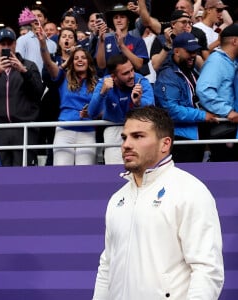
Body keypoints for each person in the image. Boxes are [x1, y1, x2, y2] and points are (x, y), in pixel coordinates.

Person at [93, 105, 224, 300]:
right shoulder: (117, 199)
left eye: (138, 136)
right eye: (124, 137)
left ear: (165, 144)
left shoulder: (190, 191)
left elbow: (207, 269)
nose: (126, 144)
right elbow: (107, 266)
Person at [0, 28, 44, 167]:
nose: (6, 47)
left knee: (25, 173)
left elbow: (38, 93)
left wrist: (23, 71)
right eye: (3, 44)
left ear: (15, 44)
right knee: (0, 174)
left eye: (9, 43)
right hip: (0, 128)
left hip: (24, 127)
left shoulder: (29, 65)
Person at [37, 25, 98, 166]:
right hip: (65, 130)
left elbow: (102, 108)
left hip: (87, 132)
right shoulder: (63, 78)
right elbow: (48, 62)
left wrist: (91, 112)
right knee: (61, 174)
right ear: (72, 62)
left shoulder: (97, 82)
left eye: (83, 57)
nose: (80, 60)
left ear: (88, 62)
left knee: (85, 175)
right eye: (76, 58)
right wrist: (42, 44)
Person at [154, 32, 217, 162]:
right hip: (179, 138)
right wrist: (202, 115)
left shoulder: (191, 71)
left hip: (195, 135)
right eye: (189, 51)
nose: (193, 55)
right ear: (176, 51)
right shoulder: (167, 75)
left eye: (195, 51)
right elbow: (170, 110)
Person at [88, 54, 154, 164]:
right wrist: (102, 93)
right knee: (113, 171)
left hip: (138, 127)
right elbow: (91, 113)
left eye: (132, 70)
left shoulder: (141, 81)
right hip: (114, 127)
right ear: (113, 76)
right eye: (125, 73)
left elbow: (151, 108)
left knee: (141, 169)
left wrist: (138, 103)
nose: (132, 75)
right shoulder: (104, 83)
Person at [196, 23, 238, 162]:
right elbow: (204, 90)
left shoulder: (232, 62)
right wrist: (227, 111)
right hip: (223, 127)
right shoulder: (216, 61)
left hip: (231, 127)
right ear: (235, 41)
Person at [96, 4, 149, 76]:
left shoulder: (138, 41)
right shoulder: (105, 40)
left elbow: (138, 65)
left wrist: (122, 46)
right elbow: (101, 66)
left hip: (132, 82)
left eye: (122, 17)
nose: (119, 20)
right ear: (112, 21)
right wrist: (101, 42)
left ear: (128, 20)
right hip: (111, 82)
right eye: (115, 17)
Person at [16, 4, 57, 75]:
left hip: (48, 83)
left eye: (39, 16)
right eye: (33, 16)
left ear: (45, 20)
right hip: (29, 82)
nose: (36, 18)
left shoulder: (52, 44)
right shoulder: (22, 40)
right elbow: (18, 63)